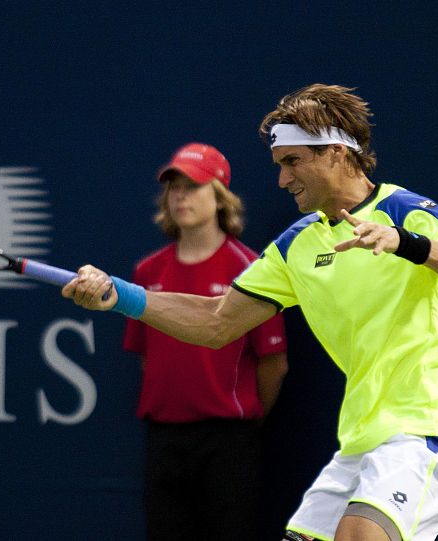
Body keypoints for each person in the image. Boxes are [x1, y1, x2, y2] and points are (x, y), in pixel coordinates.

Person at [63, 84, 438, 541]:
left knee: (361, 536)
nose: (282, 179)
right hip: (361, 440)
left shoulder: (406, 211)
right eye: (279, 165)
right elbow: (218, 321)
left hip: (425, 429)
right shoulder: (297, 243)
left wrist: (404, 242)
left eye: (293, 162)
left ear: (336, 152)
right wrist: (121, 296)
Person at [124, 142, 288, 540]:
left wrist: (241, 421)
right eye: (173, 187)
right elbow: (148, 357)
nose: (180, 196)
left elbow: (273, 364)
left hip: (229, 442)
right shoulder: (148, 270)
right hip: (164, 439)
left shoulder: (251, 269)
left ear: (219, 196)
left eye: (192, 186)